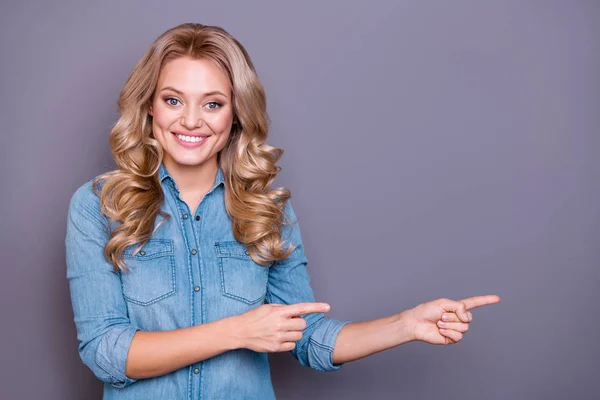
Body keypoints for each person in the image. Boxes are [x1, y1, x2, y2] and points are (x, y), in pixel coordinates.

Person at [65, 22, 501, 400]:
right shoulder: (99, 206)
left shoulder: (267, 210)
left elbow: (308, 337)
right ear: (149, 106)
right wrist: (235, 332)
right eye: (173, 100)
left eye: (213, 103)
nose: (192, 120)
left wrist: (405, 325)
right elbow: (106, 352)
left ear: (236, 114)